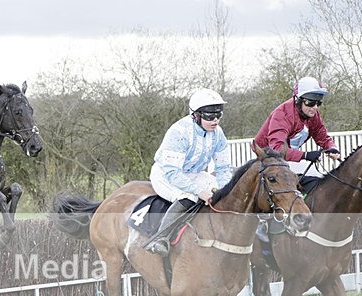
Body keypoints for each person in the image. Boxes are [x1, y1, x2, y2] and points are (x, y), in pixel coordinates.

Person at [145, 88, 233, 256]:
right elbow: (173, 173)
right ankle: (160, 238)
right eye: (209, 116)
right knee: (188, 197)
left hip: (195, 174)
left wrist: (225, 191)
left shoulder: (218, 134)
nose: (215, 120)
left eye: (218, 115)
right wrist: (199, 191)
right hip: (166, 174)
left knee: (226, 194)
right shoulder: (179, 132)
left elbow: (222, 168)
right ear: (196, 115)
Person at [253, 76, 341, 174]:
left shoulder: (312, 114)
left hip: (284, 157)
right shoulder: (282, 114)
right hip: (267, 158)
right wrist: (305, 155)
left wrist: (331, 147)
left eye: (318, 103)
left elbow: (322, 136)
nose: (315, 107)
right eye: (310, 102)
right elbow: (277, 149)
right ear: (298, 100)